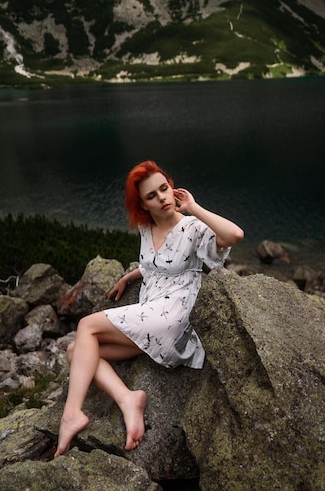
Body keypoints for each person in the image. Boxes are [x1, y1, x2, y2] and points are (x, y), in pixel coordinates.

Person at [54, 160, 244, 457]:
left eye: (164, 189)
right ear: (143, 205)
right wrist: (130, 275)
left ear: (172, 187)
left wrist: (193, 207)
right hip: (152, 313)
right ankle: (128, 399)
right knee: (75, 351)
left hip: (174, 317)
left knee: (87, 325)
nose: (163, 198)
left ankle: (71, 414)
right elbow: (156, 265)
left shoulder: (192, 227)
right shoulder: (146, 227)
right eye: (152, 196)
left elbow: (235, 236)